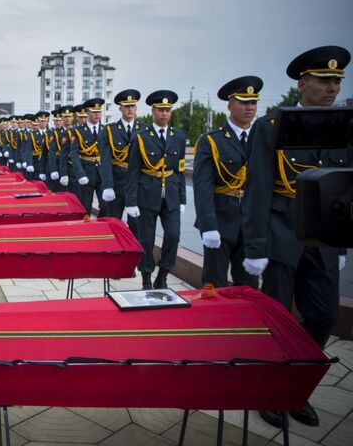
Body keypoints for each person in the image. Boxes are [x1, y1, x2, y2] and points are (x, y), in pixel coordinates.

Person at [243, 46, 351, 429]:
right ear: (303, 83)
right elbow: (258, 188)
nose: (332, 88)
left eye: (337, 81)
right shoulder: (272, 127)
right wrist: (255, 247)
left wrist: (339, 243)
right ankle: (271, 392)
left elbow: (343, 188)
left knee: (323, 315)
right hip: (281, 235)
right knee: (276, 321)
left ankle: (296, 385)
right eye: (324, 80)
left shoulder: (344, 127)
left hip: (321, 241)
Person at [193, 76, 260, 289]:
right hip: (221, 221)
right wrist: (208, 226)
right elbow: (202, 186)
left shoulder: (263, 139)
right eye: (243, 102)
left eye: (253, 102)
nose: (249, 107)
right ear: (230, 105)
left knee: (248, 286)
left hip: (251, 223)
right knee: (215, 283)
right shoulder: (211, 140)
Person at [125, 91, 187, 290]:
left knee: (173, 236)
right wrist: (131, 201)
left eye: (168, 110)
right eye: (161, 110)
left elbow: (180, 169)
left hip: (171, 195)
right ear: (153, 111)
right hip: (146, 195)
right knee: (146, 240)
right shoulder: (141, 138)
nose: (164, 114)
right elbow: (133, 172)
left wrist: (183, 198)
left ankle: (163, 273)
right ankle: (146, 278)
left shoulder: (178, 136)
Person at [99, 89, 149, 236]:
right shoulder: (109, 130)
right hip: (117, 181)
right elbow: (106, 160)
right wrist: (108, 186)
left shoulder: (144, 130)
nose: (130, 109)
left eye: (132, 105)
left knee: (137, 225)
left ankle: (135, 257)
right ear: (120, 108)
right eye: (126, 106)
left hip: (137, 184)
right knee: (113, 222)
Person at [71, 98, 108, 216]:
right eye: (94, 112)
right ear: (87, 112)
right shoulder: (78, 131)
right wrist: (80, 173)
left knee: (106, 205)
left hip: (102, 172)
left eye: (99, 112)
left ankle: (102, 229)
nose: (97, 114)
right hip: (86, 171)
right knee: (85, 206)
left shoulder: (106, 130)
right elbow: (74, 154)